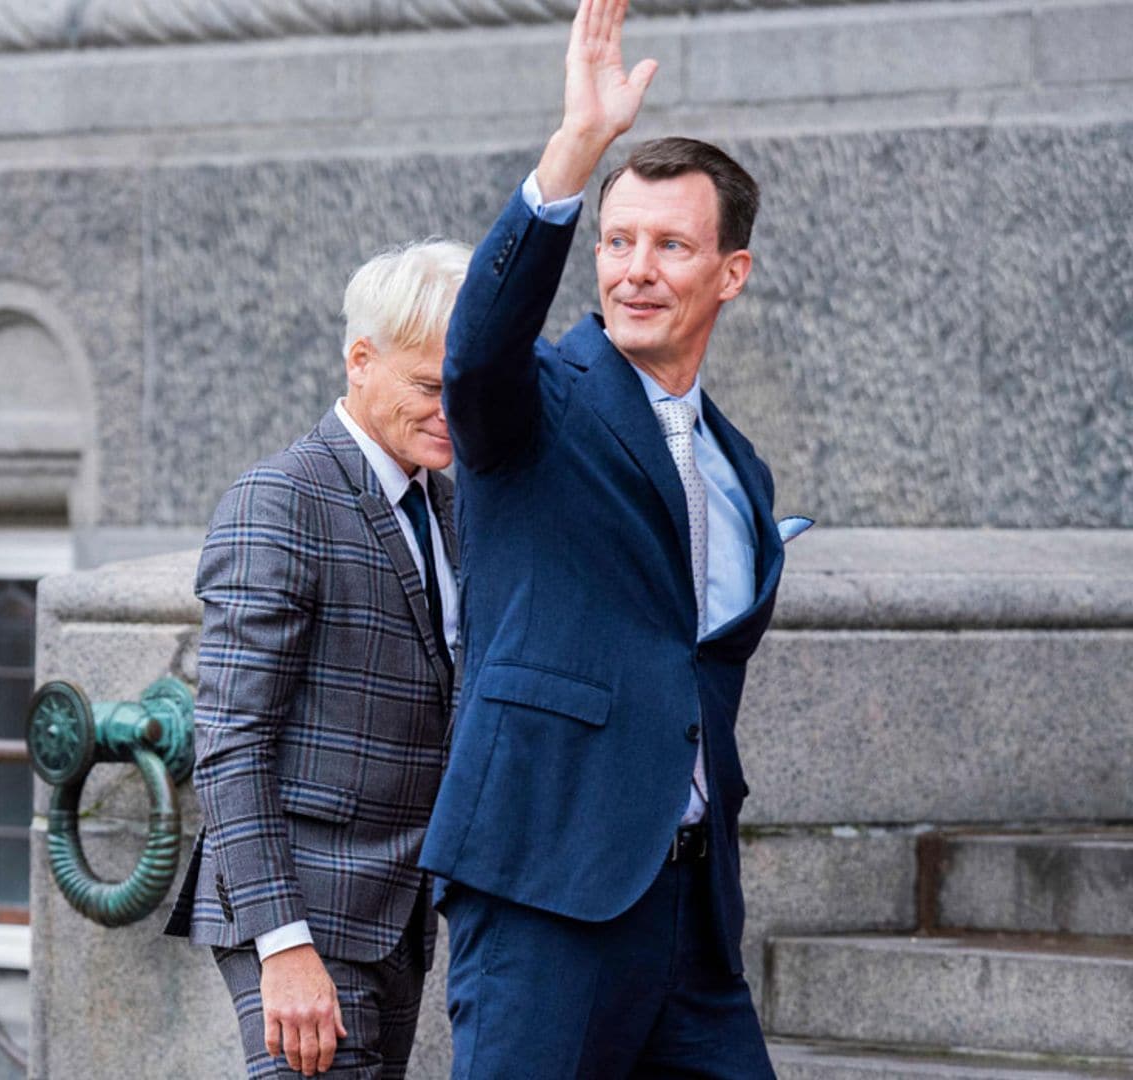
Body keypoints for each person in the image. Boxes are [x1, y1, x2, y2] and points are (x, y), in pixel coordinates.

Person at [418, 0, 801, 1073]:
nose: (634, 268)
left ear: (731, 273)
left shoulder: (739, 468)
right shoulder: (534, 404)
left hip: (689, 906)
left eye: (670, 245)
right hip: (547, 884)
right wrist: (573, 154)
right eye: (618, 241)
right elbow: (474, 356)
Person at [165, 241, 470, 1078]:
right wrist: (284, 948)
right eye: (431, 388)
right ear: (361, 362)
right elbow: (229, 739)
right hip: (303, 926)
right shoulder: (281, 498)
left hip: (398, 918)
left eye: (467, 387)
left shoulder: (443, 500)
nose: (454, 410)